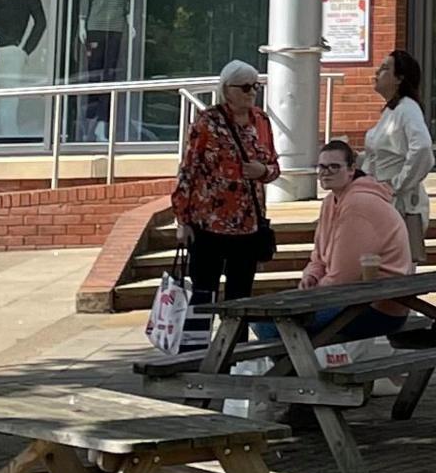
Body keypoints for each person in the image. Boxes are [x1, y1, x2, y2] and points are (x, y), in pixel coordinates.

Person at [172, 60, 281, 301]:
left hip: (249, 225)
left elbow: (275, 167)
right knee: (203, 294)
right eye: (244, 87)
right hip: (209, 224)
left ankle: (236, 340)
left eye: (255, 86)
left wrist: (262, 170)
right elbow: (188, 170)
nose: (251, 92)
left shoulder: (261, 120)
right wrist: (182, 220)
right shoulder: (207, 122)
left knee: (240, 297)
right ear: (227, 89)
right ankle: (198, 340)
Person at [303, 138, 416, 343]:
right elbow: (318, 256)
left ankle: (297, 373)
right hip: (352, 299)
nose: (326, 172)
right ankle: (297, 371)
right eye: (322, 167)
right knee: (276, 327)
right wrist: (311, 276)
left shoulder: (359, 204)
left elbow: (343, 275)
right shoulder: (331, 201)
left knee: (272, 327)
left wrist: (308, 299)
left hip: (377, 307)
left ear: (351, 170)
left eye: (334, 167)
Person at [361, 49, 436, 258]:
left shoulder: (407, 108)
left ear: (399, 78)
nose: (377, 72)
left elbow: (422, 148)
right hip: (380, 198)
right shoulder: (390, 111)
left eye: (385, 68)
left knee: (397, 262)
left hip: (398, 203)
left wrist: (398, 184)